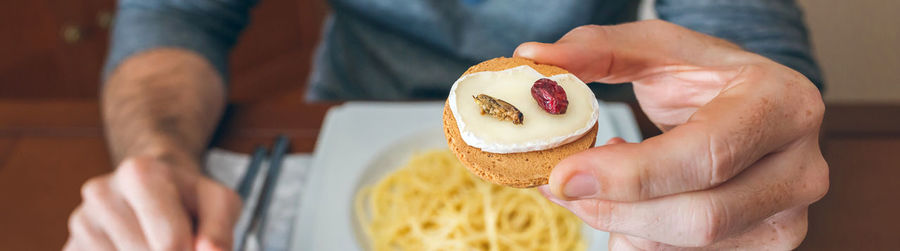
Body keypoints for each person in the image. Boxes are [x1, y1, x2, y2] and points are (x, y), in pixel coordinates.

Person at [64, 0, 828, 250]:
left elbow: (750, 41)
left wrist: (756, 128)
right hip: (348, 104)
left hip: (581, 105)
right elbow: (172, 17)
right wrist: (159, 152)